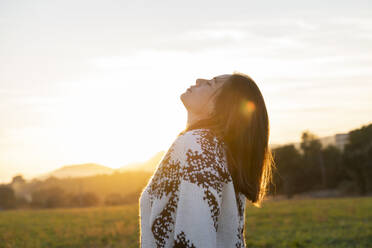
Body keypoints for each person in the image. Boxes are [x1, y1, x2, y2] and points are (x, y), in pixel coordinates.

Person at [139, 72, 275, 248]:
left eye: (211, 84)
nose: (199, 80)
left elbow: (194, 237)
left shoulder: (198, 146)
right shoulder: (218, 151)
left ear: (220, 106)